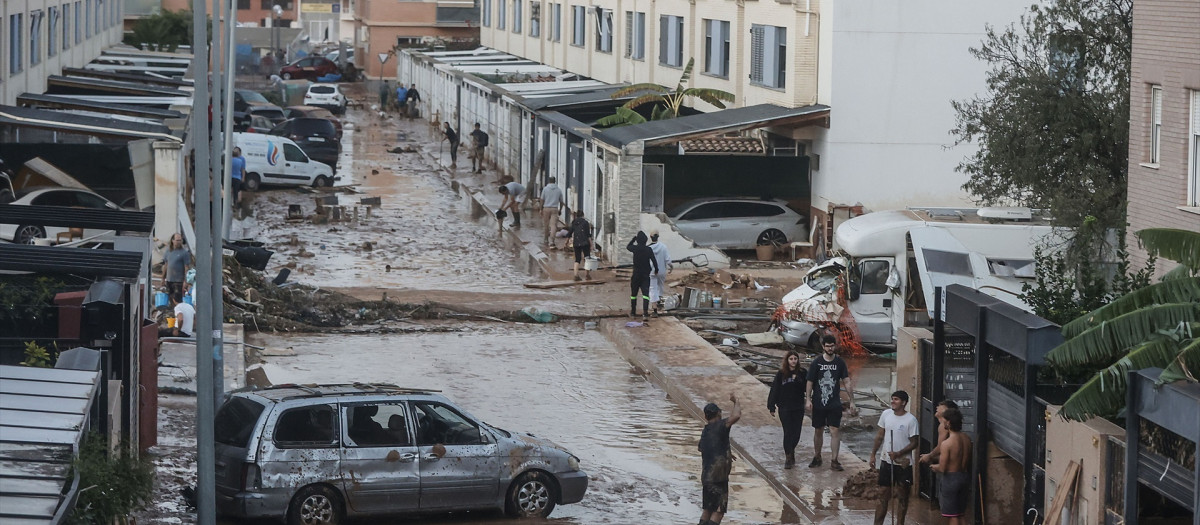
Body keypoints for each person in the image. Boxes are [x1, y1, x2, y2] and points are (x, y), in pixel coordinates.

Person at [805, 334, 858, 471]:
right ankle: (817, 456)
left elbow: (846, 381)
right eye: (827, 346)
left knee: (835, 430)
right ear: (823, 347)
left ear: (835, 346)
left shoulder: (840, 363)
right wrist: (808, 399)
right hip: (818, 402)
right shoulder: (816, 363)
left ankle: (835, 460)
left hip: (834, 403)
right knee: (818, 430)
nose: (830, 348)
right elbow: (810, 382)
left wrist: (852, 400)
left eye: (832, 345)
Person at [870, 390, 919, 525]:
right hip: (886, 461)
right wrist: (873, 454)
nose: (892, 401)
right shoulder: (886, 414)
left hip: (903, 464)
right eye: (892, 399)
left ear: (903, 402)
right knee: (883, 494)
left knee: (903, 497)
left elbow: (915, 442)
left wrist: (898, 453)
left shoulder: (911, 420)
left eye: (896, 399)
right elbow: (880, 436)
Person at [698, 394, 741, 525]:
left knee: (707, 510)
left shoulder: (706, 431)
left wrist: (725, 452)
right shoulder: (721, 425)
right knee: (718, 511)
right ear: (718, 414)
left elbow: (702, 448)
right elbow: (736, 416)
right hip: (718, 477)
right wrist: (736, 401)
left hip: (706, 477)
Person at [931, 406, 971, 525]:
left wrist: (933, 466)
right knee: (960, 514)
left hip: (951, 480)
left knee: (952, 516)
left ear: (948, 422)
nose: (943, 424)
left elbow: (943, 468)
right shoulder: (967, 439)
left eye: (943, 422)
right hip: (964, 476)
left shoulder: (947, 444)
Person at [767, 350, 806, 469]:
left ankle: (791, 450)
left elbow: (808, 387)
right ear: (787, 360)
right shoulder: (781, 374)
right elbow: (774, 389)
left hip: (798, 407)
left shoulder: (803, 373)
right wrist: (771, 406)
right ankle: (788, 457)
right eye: (791, 359)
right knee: (788, 432)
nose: (793, 361)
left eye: (795, 359)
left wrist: (798, 380)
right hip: (784, 407)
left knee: (797, 433)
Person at [626, 231, 659, 320]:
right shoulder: (648, 249)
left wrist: (633, 239)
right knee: (645, 295)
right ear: (646, 240)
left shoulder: (635, 248)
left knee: (633, 294)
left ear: (638, 240)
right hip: (645, 275)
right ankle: (645, 314)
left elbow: (628, 246)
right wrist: (656, 270)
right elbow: (654, 260)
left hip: (636, 275)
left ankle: (633, 313)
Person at [918, 399, 959, 466]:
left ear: (946, 410)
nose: (937, 407)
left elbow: (940, 447)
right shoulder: (944, 425)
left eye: (940, 406)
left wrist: (929, 456)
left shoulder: (943, 426)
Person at [648, 231, 670, 315]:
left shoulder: (649, 248)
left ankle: (654, 308)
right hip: (661, 271)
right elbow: (668, 259)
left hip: (652, 271)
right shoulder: (663, 247)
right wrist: (671, 267)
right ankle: (659, 303)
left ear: (650, 237)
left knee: (652, 288)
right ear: (658, 237)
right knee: (660, 286)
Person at [162, 233, 191, 297]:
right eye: (177, 240)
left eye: (180, 240)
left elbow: (186, 267)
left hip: (179, 282)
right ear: (173, 240)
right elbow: (165, 265)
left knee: (177, 299)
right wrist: (163, 278)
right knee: (170, 298)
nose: (179, 242)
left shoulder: (184, 253)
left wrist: (185, 281)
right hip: (169, 280)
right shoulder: (168, 251)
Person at [568, 211, 594, 281]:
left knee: (577, 259)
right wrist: (591, 245)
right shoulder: (585, 223)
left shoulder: (574, 222)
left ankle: (576, 275)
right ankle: (587, 275)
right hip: (585, 242)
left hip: (576, 243)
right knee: (587, 258)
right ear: (583, 215)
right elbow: (588, 235)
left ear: (576, 216)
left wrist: (566, 242)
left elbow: (569, 233)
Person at [540, 177, 564, 248]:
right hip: (554, 208)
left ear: (549, 181)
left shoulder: (545, 189)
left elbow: (542, 199)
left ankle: (545, 239)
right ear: (555, 181)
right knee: (553, 225)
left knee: (546, 224)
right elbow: (561, 201)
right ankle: (552, 241)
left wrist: (541, 209)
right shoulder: (558, 190)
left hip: (546, 208)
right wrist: (560, 209)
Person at [230, 147, 245, 213]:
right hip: (237, 178)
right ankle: (235, 204)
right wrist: (243, 177)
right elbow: (242, 169)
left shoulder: (230, 160)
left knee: (229, 191)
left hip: (230, 177)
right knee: (236, 192)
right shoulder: (241, 161)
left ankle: (229, 204)